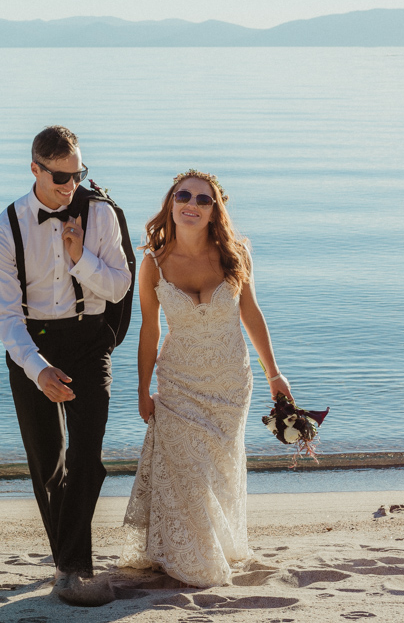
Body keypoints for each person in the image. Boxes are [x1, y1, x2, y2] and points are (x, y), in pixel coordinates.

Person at [119, 169, 293, 588]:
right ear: (170, 204)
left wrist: (274, 373)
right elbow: (149, 330)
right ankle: (192, 557)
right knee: (187, 471)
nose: (191, 205)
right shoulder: (154, 263)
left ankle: (207, 543)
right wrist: (142, 389)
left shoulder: (236, 254)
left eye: (203, 199)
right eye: (184, 196)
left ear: (215, 211)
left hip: (230, 384)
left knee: (216, 470)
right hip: (178, 382)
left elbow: (250, 313)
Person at [0, 126, 132, 605]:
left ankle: (73, 568)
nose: (72, 185)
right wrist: (38, 368)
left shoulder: (102, 215)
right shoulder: (4, 229)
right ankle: (68, 564)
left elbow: (118, 288)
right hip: (33, 343)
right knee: (48, 464)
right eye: (61, 177)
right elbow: (6, 318)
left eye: (78, 174)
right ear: (35, 169)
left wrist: (79, 257)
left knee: (87, 455)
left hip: (89, 342)